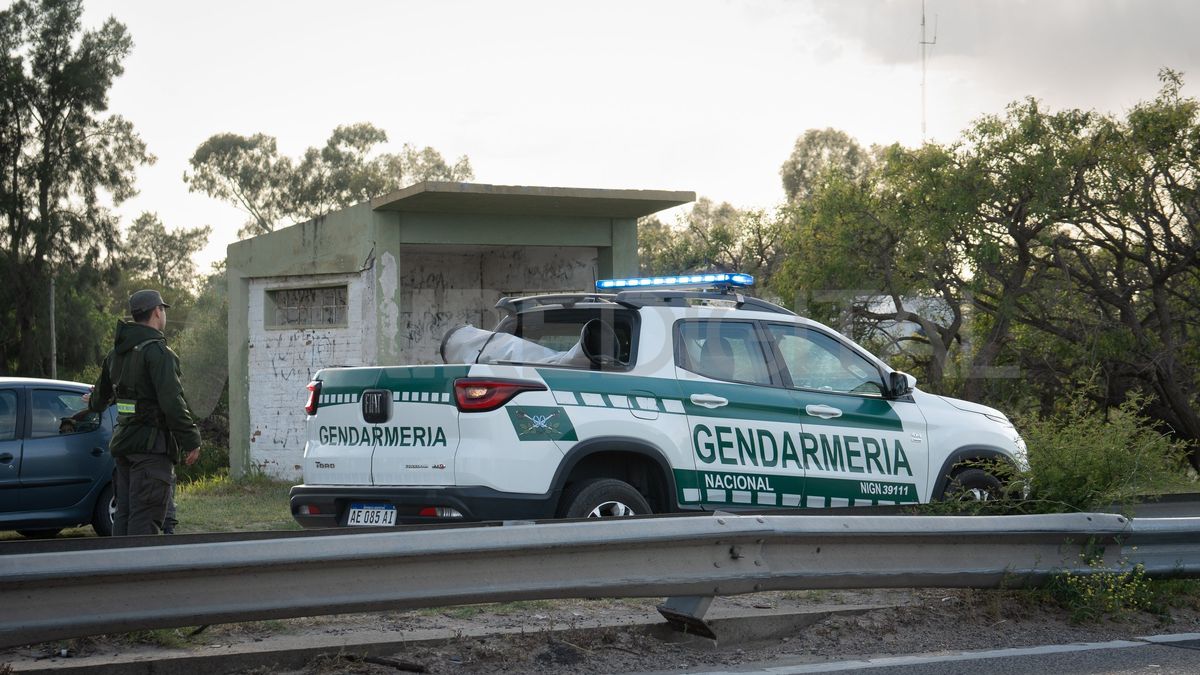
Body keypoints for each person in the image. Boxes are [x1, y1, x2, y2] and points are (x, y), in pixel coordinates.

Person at [87, 289, 201, 535]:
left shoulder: (115, 354)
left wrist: (90, 403)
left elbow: (99, 399)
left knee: (124, 516)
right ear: (157, 312)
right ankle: (136, 572)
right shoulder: (159, 353)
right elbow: (172, 402)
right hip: (150, 450)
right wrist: (191, 440)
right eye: (163, 310)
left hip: (124, 447)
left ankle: (119, 571)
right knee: (144, 520)